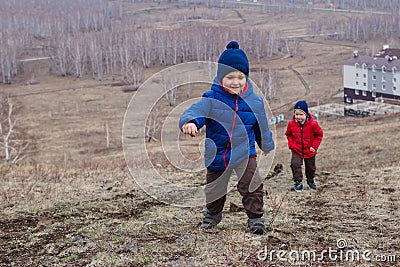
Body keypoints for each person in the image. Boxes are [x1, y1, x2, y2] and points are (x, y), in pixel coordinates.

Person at [179, 40, 275, 234]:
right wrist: (189, 121)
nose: (236, 82)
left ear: (246, 77)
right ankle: (213, 214)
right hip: (218, 152)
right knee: (214, 189)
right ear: (221, 77)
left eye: (240, 77)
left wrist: (266, 145)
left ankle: (256, 219)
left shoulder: (255, 102)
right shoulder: (211, 99)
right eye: (230, 77)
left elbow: (261, 126)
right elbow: (196, 110)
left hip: (243, 152)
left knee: (252, 183)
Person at [285, 100, 323, 192]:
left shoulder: (313, 124)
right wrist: (291, 145)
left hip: (309, 150)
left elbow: (319, 135)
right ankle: (298, 183)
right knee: (295, 164)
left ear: (306, 114)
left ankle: (310, 180)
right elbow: (288, 134)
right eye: (296, 114)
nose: (298, 117)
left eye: (301, 114)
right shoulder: (291, 124)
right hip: (296, 149)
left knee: (311, 167)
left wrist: (314, 146)